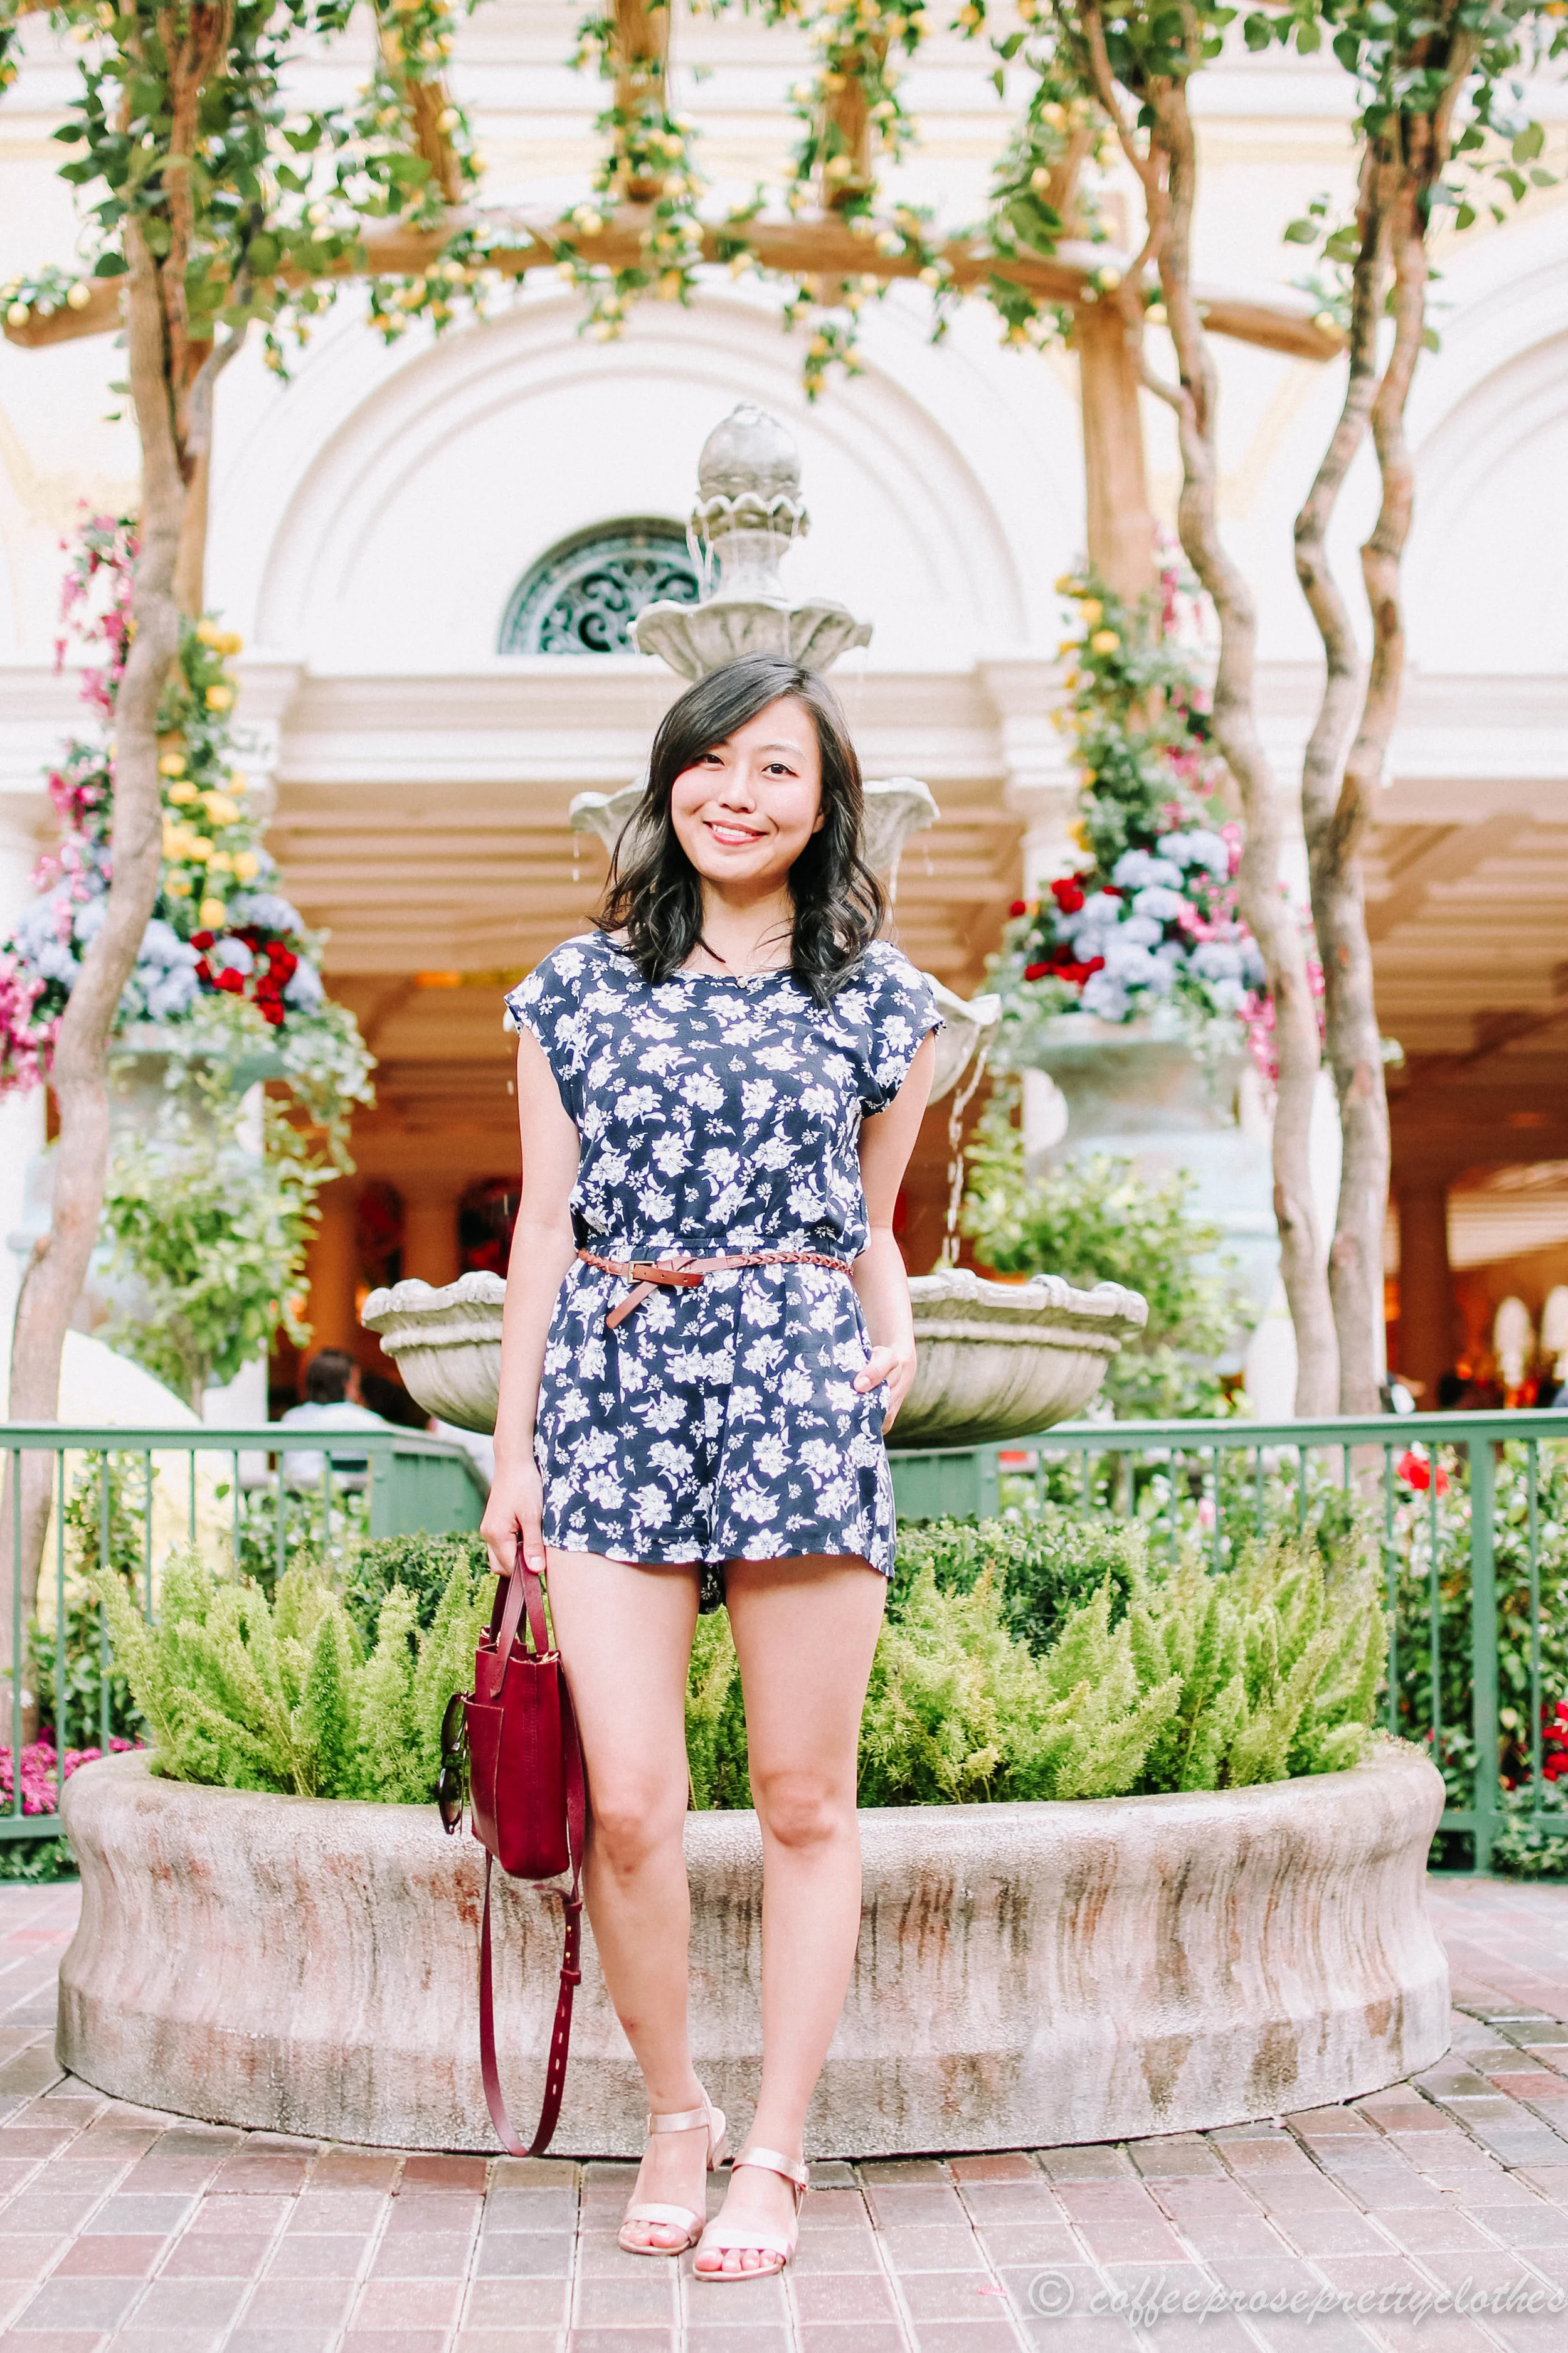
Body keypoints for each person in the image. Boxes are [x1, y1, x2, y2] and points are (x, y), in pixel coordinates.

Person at [482, 652, 939, 2282]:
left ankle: (777, 2146)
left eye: (776, 769)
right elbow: (542, 1226)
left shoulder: (883, 997)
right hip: (613, 1381)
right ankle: (674, 2109)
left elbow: (870, 1217)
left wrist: (893, 1324)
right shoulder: (574, 987)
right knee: (629, 1807)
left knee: (804, 1800)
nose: (736, 794)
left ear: (823, 806)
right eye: (712, 760)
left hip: (797, 1385)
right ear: (669, 775)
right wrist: (511, 1448)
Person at [276, 1348, 395, 1486]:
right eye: (356, 1384)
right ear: (347, 1386)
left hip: (293, 1494)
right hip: (339, 1495)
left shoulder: (290, 1418)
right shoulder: (367, 1422)